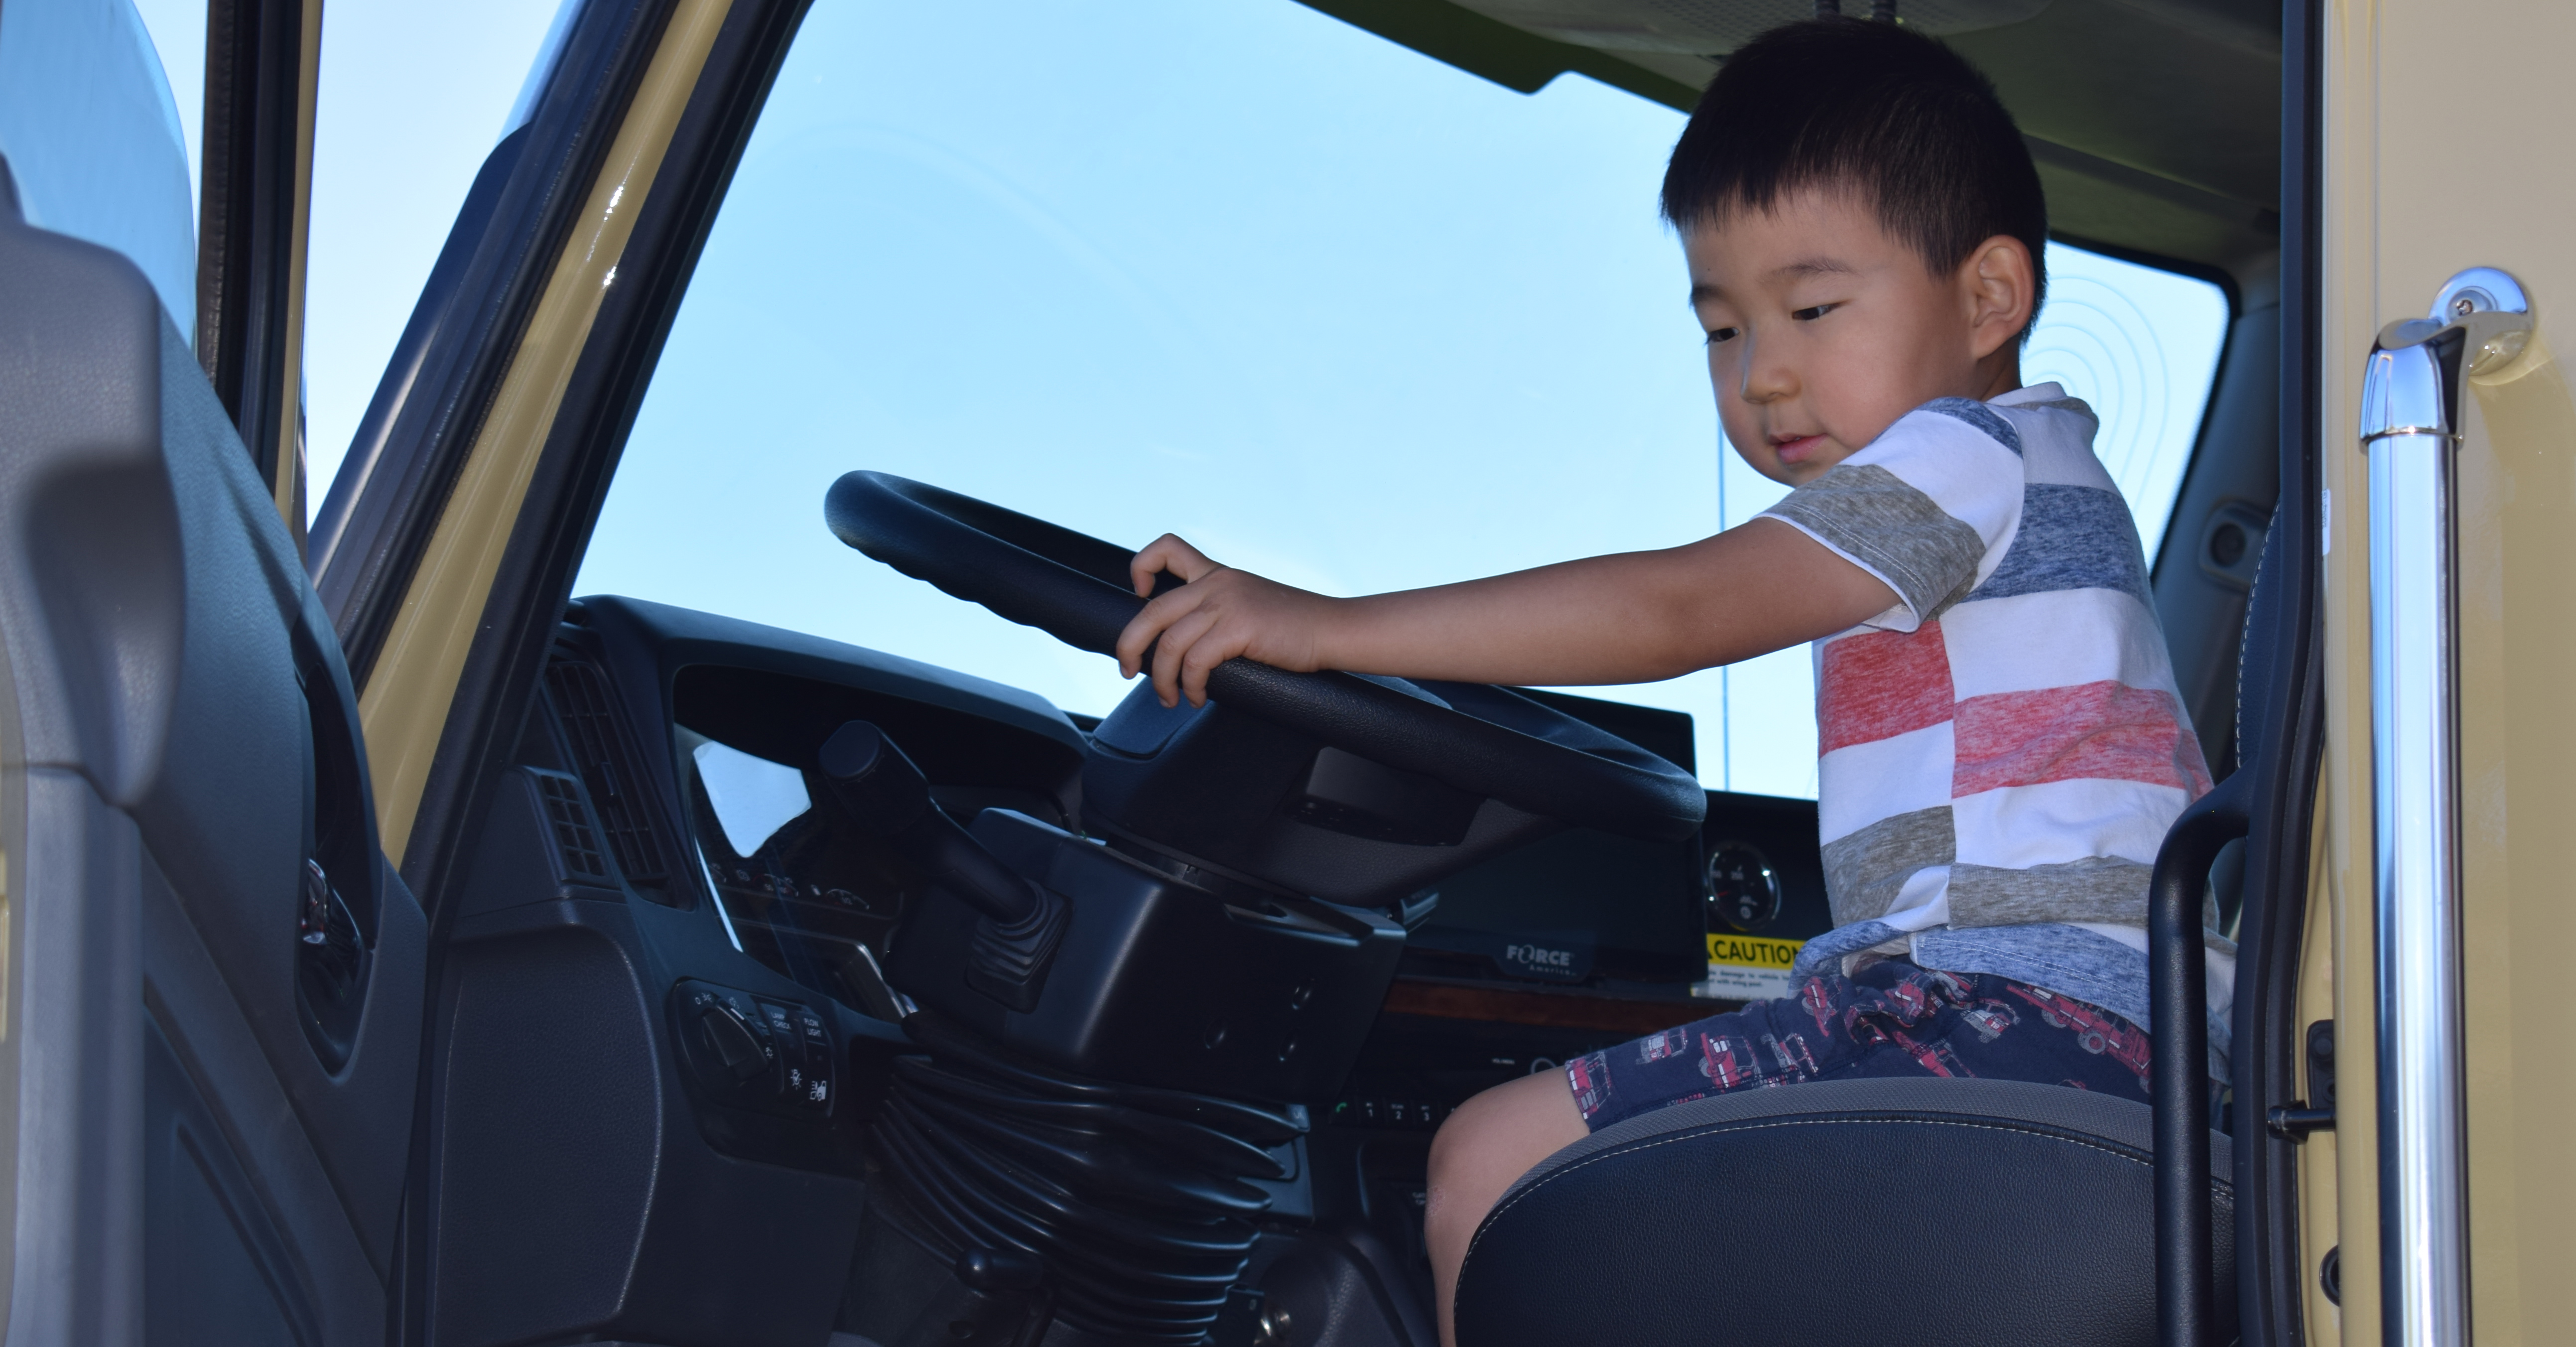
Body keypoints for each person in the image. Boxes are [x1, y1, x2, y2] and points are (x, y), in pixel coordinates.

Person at [1111, 16, 2227, 1345]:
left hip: (1999, 1009)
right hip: (2100, 1030)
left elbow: (1675, 607)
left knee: (1486, 1162)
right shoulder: (2013, 478)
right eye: (1719, 328)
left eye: (1812, 309)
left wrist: (1321, 626)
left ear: (1988, 297)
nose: (1763, 373)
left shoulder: (1962, 459)